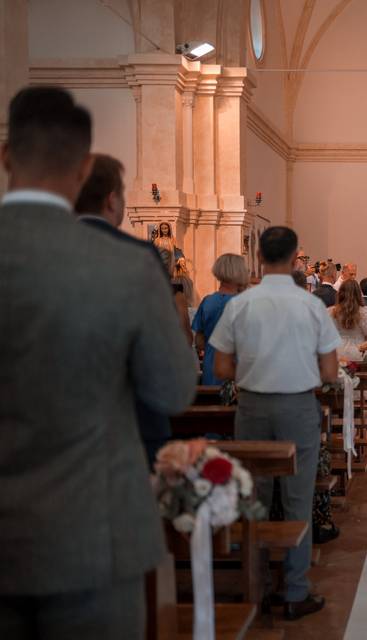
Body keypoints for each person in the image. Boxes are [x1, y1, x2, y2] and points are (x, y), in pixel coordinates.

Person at [0, 86, 197, 638]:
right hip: (94, 531)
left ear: (6, 155)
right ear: (85, 165)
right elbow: (175, 389)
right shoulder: (128, 264)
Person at [210, 226, 340, 620]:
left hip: (251, 407)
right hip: (298, 406)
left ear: (259, 257)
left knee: (256, 498)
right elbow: (331, 371)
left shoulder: (240, 304)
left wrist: (257, 371)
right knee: (298, 497)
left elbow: (220, 366)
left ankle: (258, 586)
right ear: (296, 254)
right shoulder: (311, 305)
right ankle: (295, 592)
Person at [74, 153, 181, 466]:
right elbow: (166, 356)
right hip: (133, 426)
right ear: (111, 200)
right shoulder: (140, 257)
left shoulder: (36, 253)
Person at [193, 253, 249, 385]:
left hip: (211, 368)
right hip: (235, 371)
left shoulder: (207, 302)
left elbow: (199, 342)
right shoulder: (243, 303)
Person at [330, 279, 367, 362]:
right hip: (358, 351)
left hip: (337, 352)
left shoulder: (331, 311)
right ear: (358, 293)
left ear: (340, 293)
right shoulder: (363, 311)